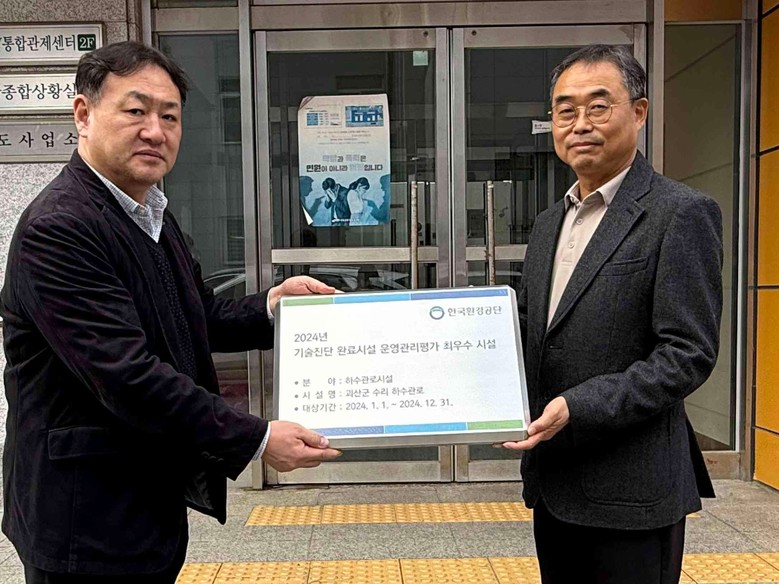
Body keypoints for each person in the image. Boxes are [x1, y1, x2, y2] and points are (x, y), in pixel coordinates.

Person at [0, 41, 342, 584]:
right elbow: (127, 376)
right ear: (83, 114)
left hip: (140, 504)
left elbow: (193, 316)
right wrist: (254, 437)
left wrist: (274, 308)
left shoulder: (148, 212)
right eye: (136, 111)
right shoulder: (60, 228)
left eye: (170, 116)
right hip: (83, 519)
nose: (155, 131)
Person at [502, 44, 722, 584]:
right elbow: (528, 332)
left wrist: (580, 406)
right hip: (554, 484)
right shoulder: (549, 224)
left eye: (598, 107)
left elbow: (687, 354)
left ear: (639, 112)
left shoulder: (680, 213)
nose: (580, 124)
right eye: (565, 110)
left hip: (633, 491)